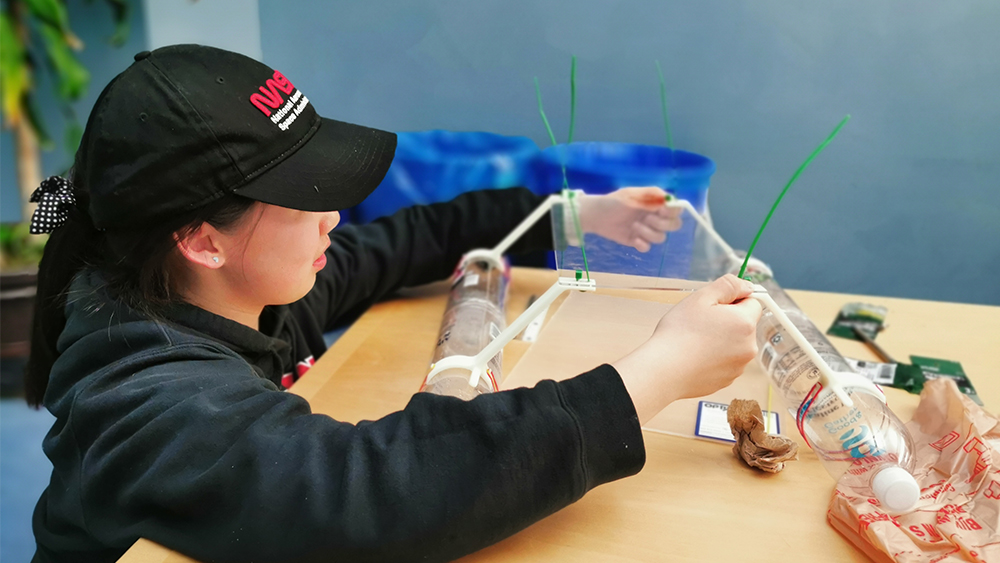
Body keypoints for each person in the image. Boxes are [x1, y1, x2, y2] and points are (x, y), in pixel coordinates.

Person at [24, 45, 762, 563]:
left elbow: (408, 237)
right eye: (303, 198)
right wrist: (657, 373)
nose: (333, 218)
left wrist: (566, 216)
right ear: (202, 240)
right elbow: (383, 488)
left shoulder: (233, 291)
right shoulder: (150, 406)